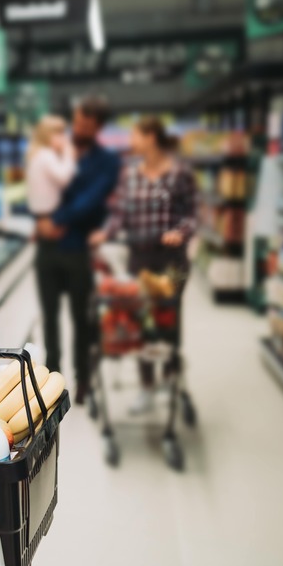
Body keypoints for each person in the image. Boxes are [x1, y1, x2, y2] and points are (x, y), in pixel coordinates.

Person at [90, 116, 197, 413]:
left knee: (168, 322)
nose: (131, 141)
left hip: (171, 260)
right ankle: (148, 387)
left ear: (151, 137)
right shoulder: (131, 175)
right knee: (140, 322)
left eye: (135, 135)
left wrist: (181, 232)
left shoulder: (179, 173)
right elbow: (120, 215)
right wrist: (104, 234)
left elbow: (192, 215)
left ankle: (170, 378)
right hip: (140, 258)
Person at [34, 96, 121, 405]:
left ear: (97, 127)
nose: (79, 128)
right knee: (50, 317)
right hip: (46, 249)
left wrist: (56, 220)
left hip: (77, 249)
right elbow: (40, 185)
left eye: (86, 124)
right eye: (78, 121)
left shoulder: (108, 161)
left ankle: (83, 377)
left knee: (81, 318)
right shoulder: (57, 148)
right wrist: (40, 220)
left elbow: (92, 199)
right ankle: (52, 380)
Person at [26, 114, 76, 217]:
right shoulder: (46, 155)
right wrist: (68, 154)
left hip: (40, 211)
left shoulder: (38, 154)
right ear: (47, 135)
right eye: (60, 134)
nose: (65, 138)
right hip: (49, 213)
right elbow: (64, 178)